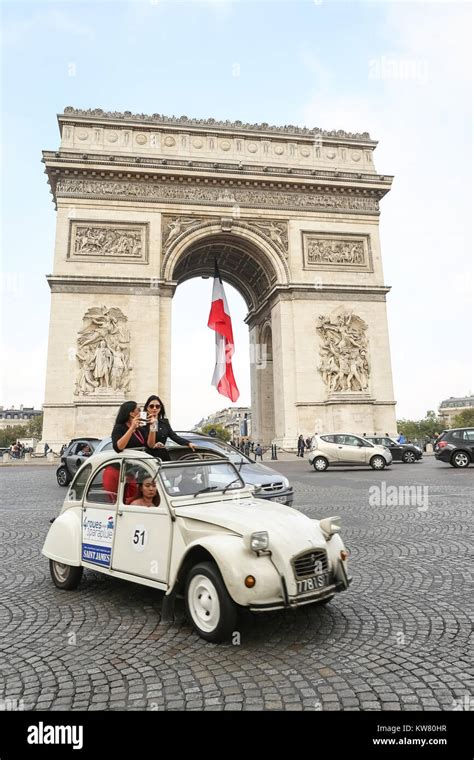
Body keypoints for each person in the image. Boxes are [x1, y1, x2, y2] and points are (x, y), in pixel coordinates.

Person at [142, 395, 196, 461]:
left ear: (160, 408)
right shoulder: (143, 423)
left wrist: (188, 443)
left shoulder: (165, 422)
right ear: (147, 408)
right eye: (151, 406)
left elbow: (173, 436)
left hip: (163, 456)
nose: (154, 408)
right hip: (149, 458)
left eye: (157, 406)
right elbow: (148, 443)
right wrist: (153, 423)